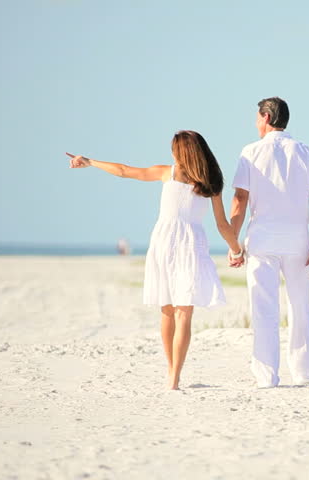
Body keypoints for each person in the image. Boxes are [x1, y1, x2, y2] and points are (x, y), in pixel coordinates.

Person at [67, 130, 242, 390]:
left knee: (168, 310)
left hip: (164, 241)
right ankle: (174, 376)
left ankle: (172, 372)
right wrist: (236, 249)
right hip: (191, 243)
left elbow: (125, 171)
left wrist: (91, 161)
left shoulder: (167, 172)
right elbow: (222, 225)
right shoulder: (211, 183)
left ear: (179, 152)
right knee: (184, 312)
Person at [229, 97, 309, 388]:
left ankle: (266, 376)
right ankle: (303, 373)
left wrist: (234, 242)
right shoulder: (306, 152)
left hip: (262, 239)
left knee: (264, 308)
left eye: (257, 117)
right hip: (298, 240)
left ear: (266, 116)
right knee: (300, 306)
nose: (256, 123)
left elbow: (240, 199)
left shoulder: (250, 152)